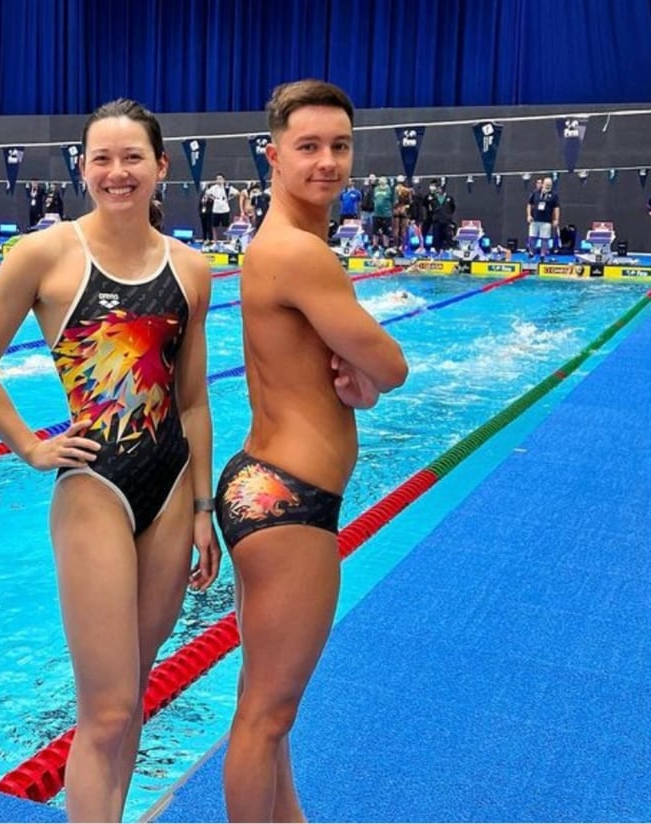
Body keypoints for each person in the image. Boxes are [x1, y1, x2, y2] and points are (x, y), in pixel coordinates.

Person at [0, 97, 221, 822]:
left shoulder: (191, 270)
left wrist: (203, 509)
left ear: (161, 167)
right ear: (82, 168)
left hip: (170, 488)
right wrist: (27, 442)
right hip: (94, 487)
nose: (117, 171)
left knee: (131, 697)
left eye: (132, 157)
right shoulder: (45, 256)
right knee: (106, 709)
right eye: (102, 158)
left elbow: (194, 400)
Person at [214, 79, 407, 822]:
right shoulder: (302, 253)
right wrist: (372, 379)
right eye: (308, 147)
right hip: (289, 497)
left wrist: (351, 386)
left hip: (263, 482)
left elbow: (332, 369)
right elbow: (390, 364)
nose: (327, 162)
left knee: (267, 710)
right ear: (273, 156)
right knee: (266, 717)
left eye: (339, 146)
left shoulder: (277, 243)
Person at [526, 176, 560, 260]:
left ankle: (542, 255)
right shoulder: (535, 193)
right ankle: (531, 252)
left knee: (545, 239)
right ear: (543, 184)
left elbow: (556, 208)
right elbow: (529, 204)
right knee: (532, 237)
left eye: (549, 184)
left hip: (546, 221)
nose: (548, 186)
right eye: (546, 184)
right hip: (535, 220)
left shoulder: (554, 195)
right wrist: (529, 215)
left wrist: (556, 219)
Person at [205, 172, 239, 240]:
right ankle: (215, 241)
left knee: (226, 226)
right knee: (214, 226)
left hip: (225, 209)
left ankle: (228, 240)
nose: (218, 180)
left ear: (223, 180)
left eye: (220, 179)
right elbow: (207, 193)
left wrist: (229, 198)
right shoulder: (213, 188)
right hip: (216, 209)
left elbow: (237, 193)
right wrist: (213, 198)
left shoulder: (228, 187)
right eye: (217, 179)